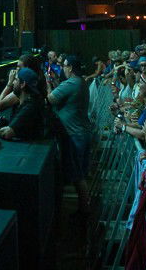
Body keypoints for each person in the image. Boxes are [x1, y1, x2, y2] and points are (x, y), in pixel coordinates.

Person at [49, 54, 93, 214]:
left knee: (77, 176)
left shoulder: (72, 82)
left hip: (75, 135)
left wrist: (47, 84)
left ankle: (84, 212)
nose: (62, 69)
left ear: (71, 68)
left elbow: (50, 99)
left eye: (64, 66)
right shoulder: (79, 82)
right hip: (81, 132)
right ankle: (84, 209)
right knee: (79, 175)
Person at [0, 67, 45, 141]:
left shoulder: (29, 107)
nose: (13, 83)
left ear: (22, 84)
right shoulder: (32, 101)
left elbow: (7, 133)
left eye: (15, 80)